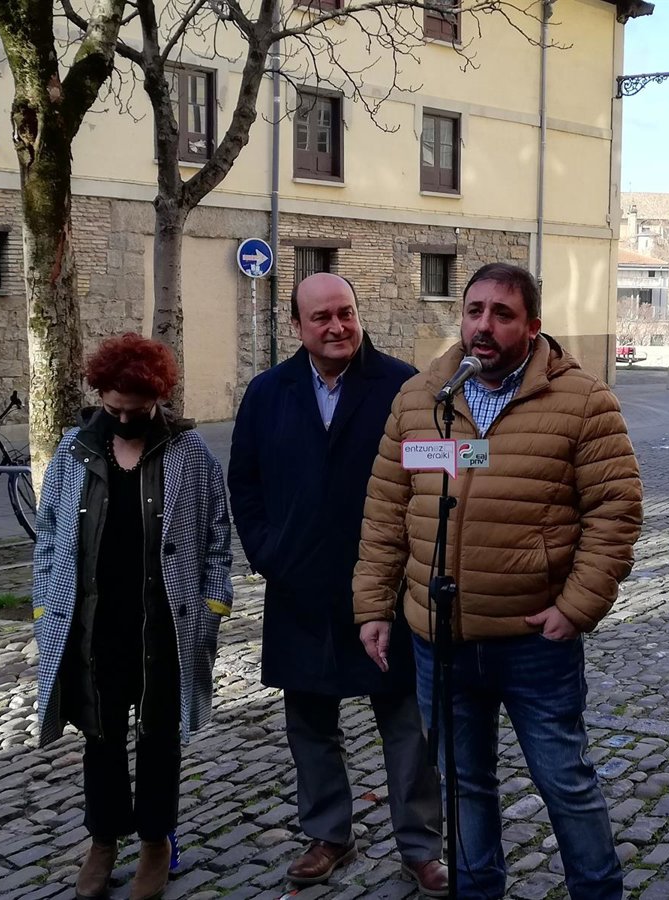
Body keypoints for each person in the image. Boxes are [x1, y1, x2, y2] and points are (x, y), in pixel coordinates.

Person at [354, 262, 643, 900]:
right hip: (439, 640)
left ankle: (598, 892)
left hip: (532, 640)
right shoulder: (420, 398)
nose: (483, 326)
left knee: (564, 781)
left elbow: (615, 512)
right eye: (474, 310)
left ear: (533, 326)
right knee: (463, 784)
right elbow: (386, 510)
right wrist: (373, 606)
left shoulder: (583, 401)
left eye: (502, 314)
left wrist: (577, 606)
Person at [227, 273, 448, 895]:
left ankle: (421, 847)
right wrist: (269, 553)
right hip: (298, 586)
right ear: (296, 326)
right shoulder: (268, 392)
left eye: (345, 313)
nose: (337, 326)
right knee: (310, 722)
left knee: (406, 724)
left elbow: (437, 472)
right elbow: (244, 480)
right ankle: (328, 834)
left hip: (386, 585)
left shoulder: (404, 385)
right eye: (321, 317)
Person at [32, 333, 233, 900]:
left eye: (136, 410)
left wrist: (214, 605)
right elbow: (48, 533)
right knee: (101, 737)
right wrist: (45, 602)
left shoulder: (189, 453)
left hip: (164, 624)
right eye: (113, 407)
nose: (123, 419)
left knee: (159, 737)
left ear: (158, 399)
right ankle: (103, 841)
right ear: (100, 394)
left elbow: (218, 535)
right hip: (93, 625)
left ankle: (154, 843)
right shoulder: (74, 449)